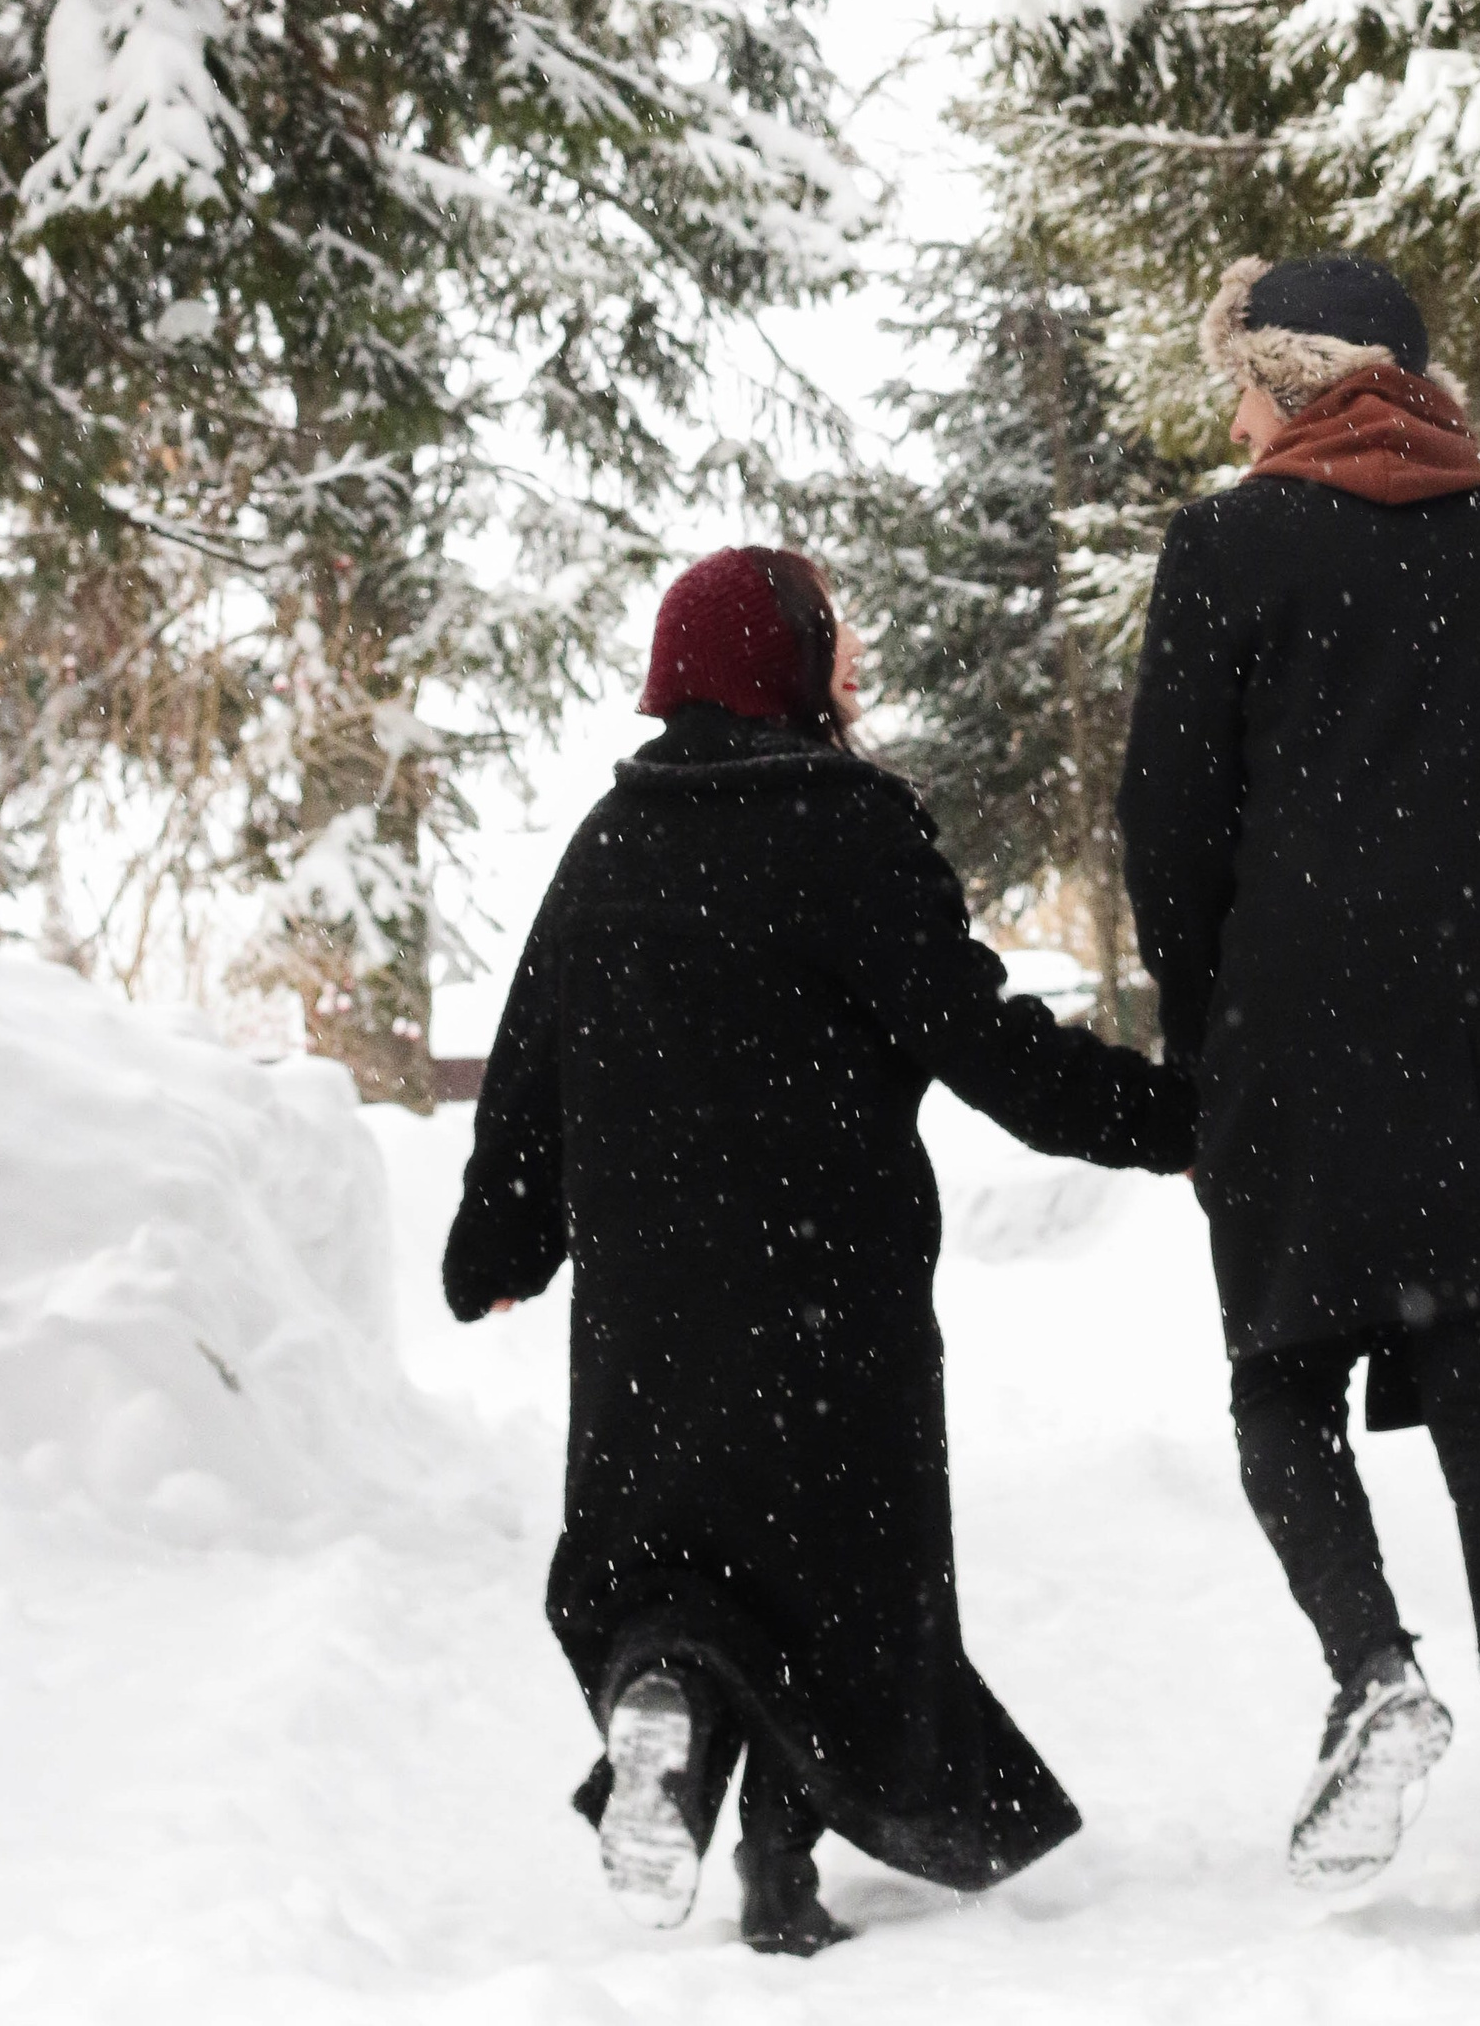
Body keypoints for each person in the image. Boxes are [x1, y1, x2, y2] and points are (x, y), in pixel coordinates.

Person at [445, 545, 1194, 1953]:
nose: (851, 659)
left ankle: (660, 1691)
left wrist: (500, 1238)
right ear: (778, 656)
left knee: (680, 1567)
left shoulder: (612, 840)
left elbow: (532, 1062)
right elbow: (993, 1049)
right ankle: (781, 1880)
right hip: (827, 1290)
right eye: (831, 633)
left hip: (651, 1305)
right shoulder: (850, 824)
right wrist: (1181, 1119)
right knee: (833, 1585)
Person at [1117, 254, 1480, 1942]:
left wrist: (1218, 1039)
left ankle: (1373, 1670)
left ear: (1291, 379)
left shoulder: (1227, 551)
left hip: (1298, 1031)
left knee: (1285, 1384)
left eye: (1242, 384)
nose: (1230, 419)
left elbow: (1167, 830)